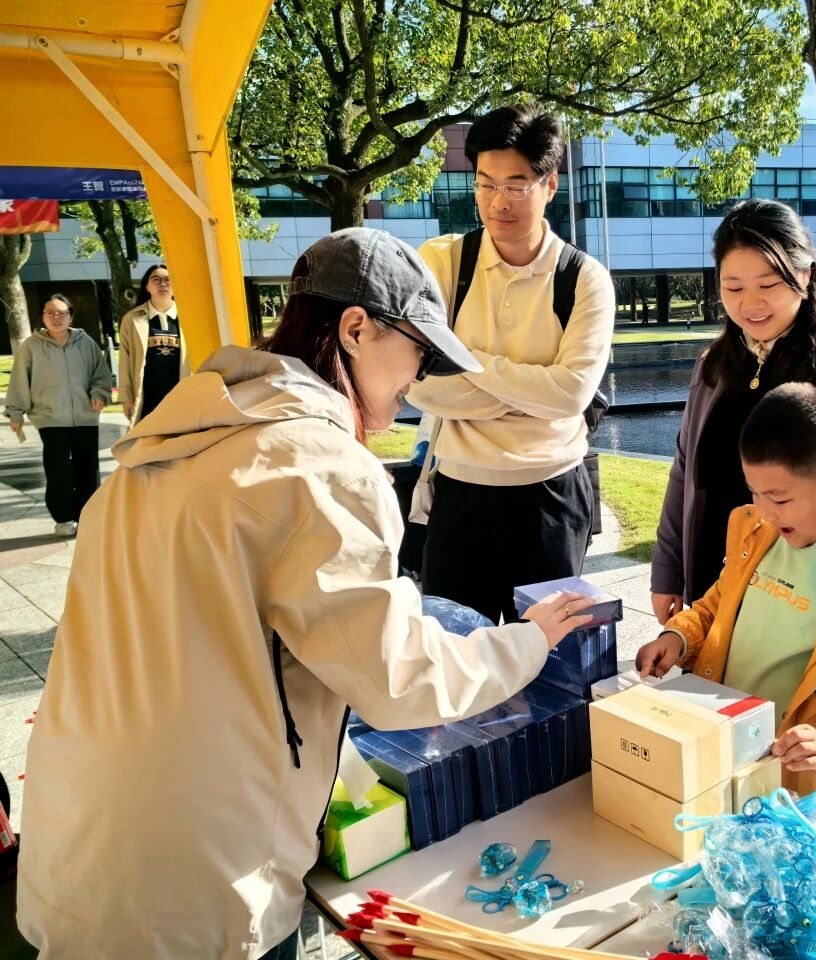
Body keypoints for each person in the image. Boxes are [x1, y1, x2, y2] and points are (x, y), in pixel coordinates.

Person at [16, 228, 597, 960]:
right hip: (201, 878)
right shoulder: (320, 466)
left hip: (79, 842)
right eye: (418, 352)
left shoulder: (159, 451)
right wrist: (529, 640)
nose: (417, 382)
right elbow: (399, 676)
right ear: (356, 329)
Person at [635, 383, 816, 815]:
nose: (765, 511)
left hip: (809, 795)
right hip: (730, 754)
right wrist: (678, 638)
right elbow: (718, 606)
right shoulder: (755, 531)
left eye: (778, 498)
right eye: (754, 492)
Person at [406, 103, 615, 625]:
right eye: (486, 184)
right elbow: (418, 385)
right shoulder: (442, 264)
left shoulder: (584, 279)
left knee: (548, 662)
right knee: (455, 657)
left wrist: (466, 366)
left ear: (550, 184)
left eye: (517, 185)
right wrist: (528, 397)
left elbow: (571, 395)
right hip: (460, 494)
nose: (499, 202)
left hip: (551, 496)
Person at [649, 198, 816, 626]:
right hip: (711, 584)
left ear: (806, 275)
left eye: (768, 284)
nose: (751, 304)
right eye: (734, 287)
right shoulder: (712, 367)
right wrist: (668, 570)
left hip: (801, 596)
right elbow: (685, 472)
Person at [4, 294, 112, 537]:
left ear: (70, 317)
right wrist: (16, 413)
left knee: (87, 469)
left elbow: (101, 374)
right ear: (42, 317)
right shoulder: (31, 346)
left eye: (62, 313)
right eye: (50, 313)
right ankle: (63, 518)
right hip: (49, 419)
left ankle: (87, 517)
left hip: (85, 417)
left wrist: (99, 393)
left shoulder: (86, 343)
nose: (56, 317)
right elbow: (19, 380)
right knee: (58, 471)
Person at [118, 262, 190, 423]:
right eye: (156, 279)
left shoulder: (189, 317)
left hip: (181, 397)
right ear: (147, 286)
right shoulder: (132, 319)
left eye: (168, 279)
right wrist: (126, 398)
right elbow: (124, 361)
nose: (162, 284)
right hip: (147, 399)